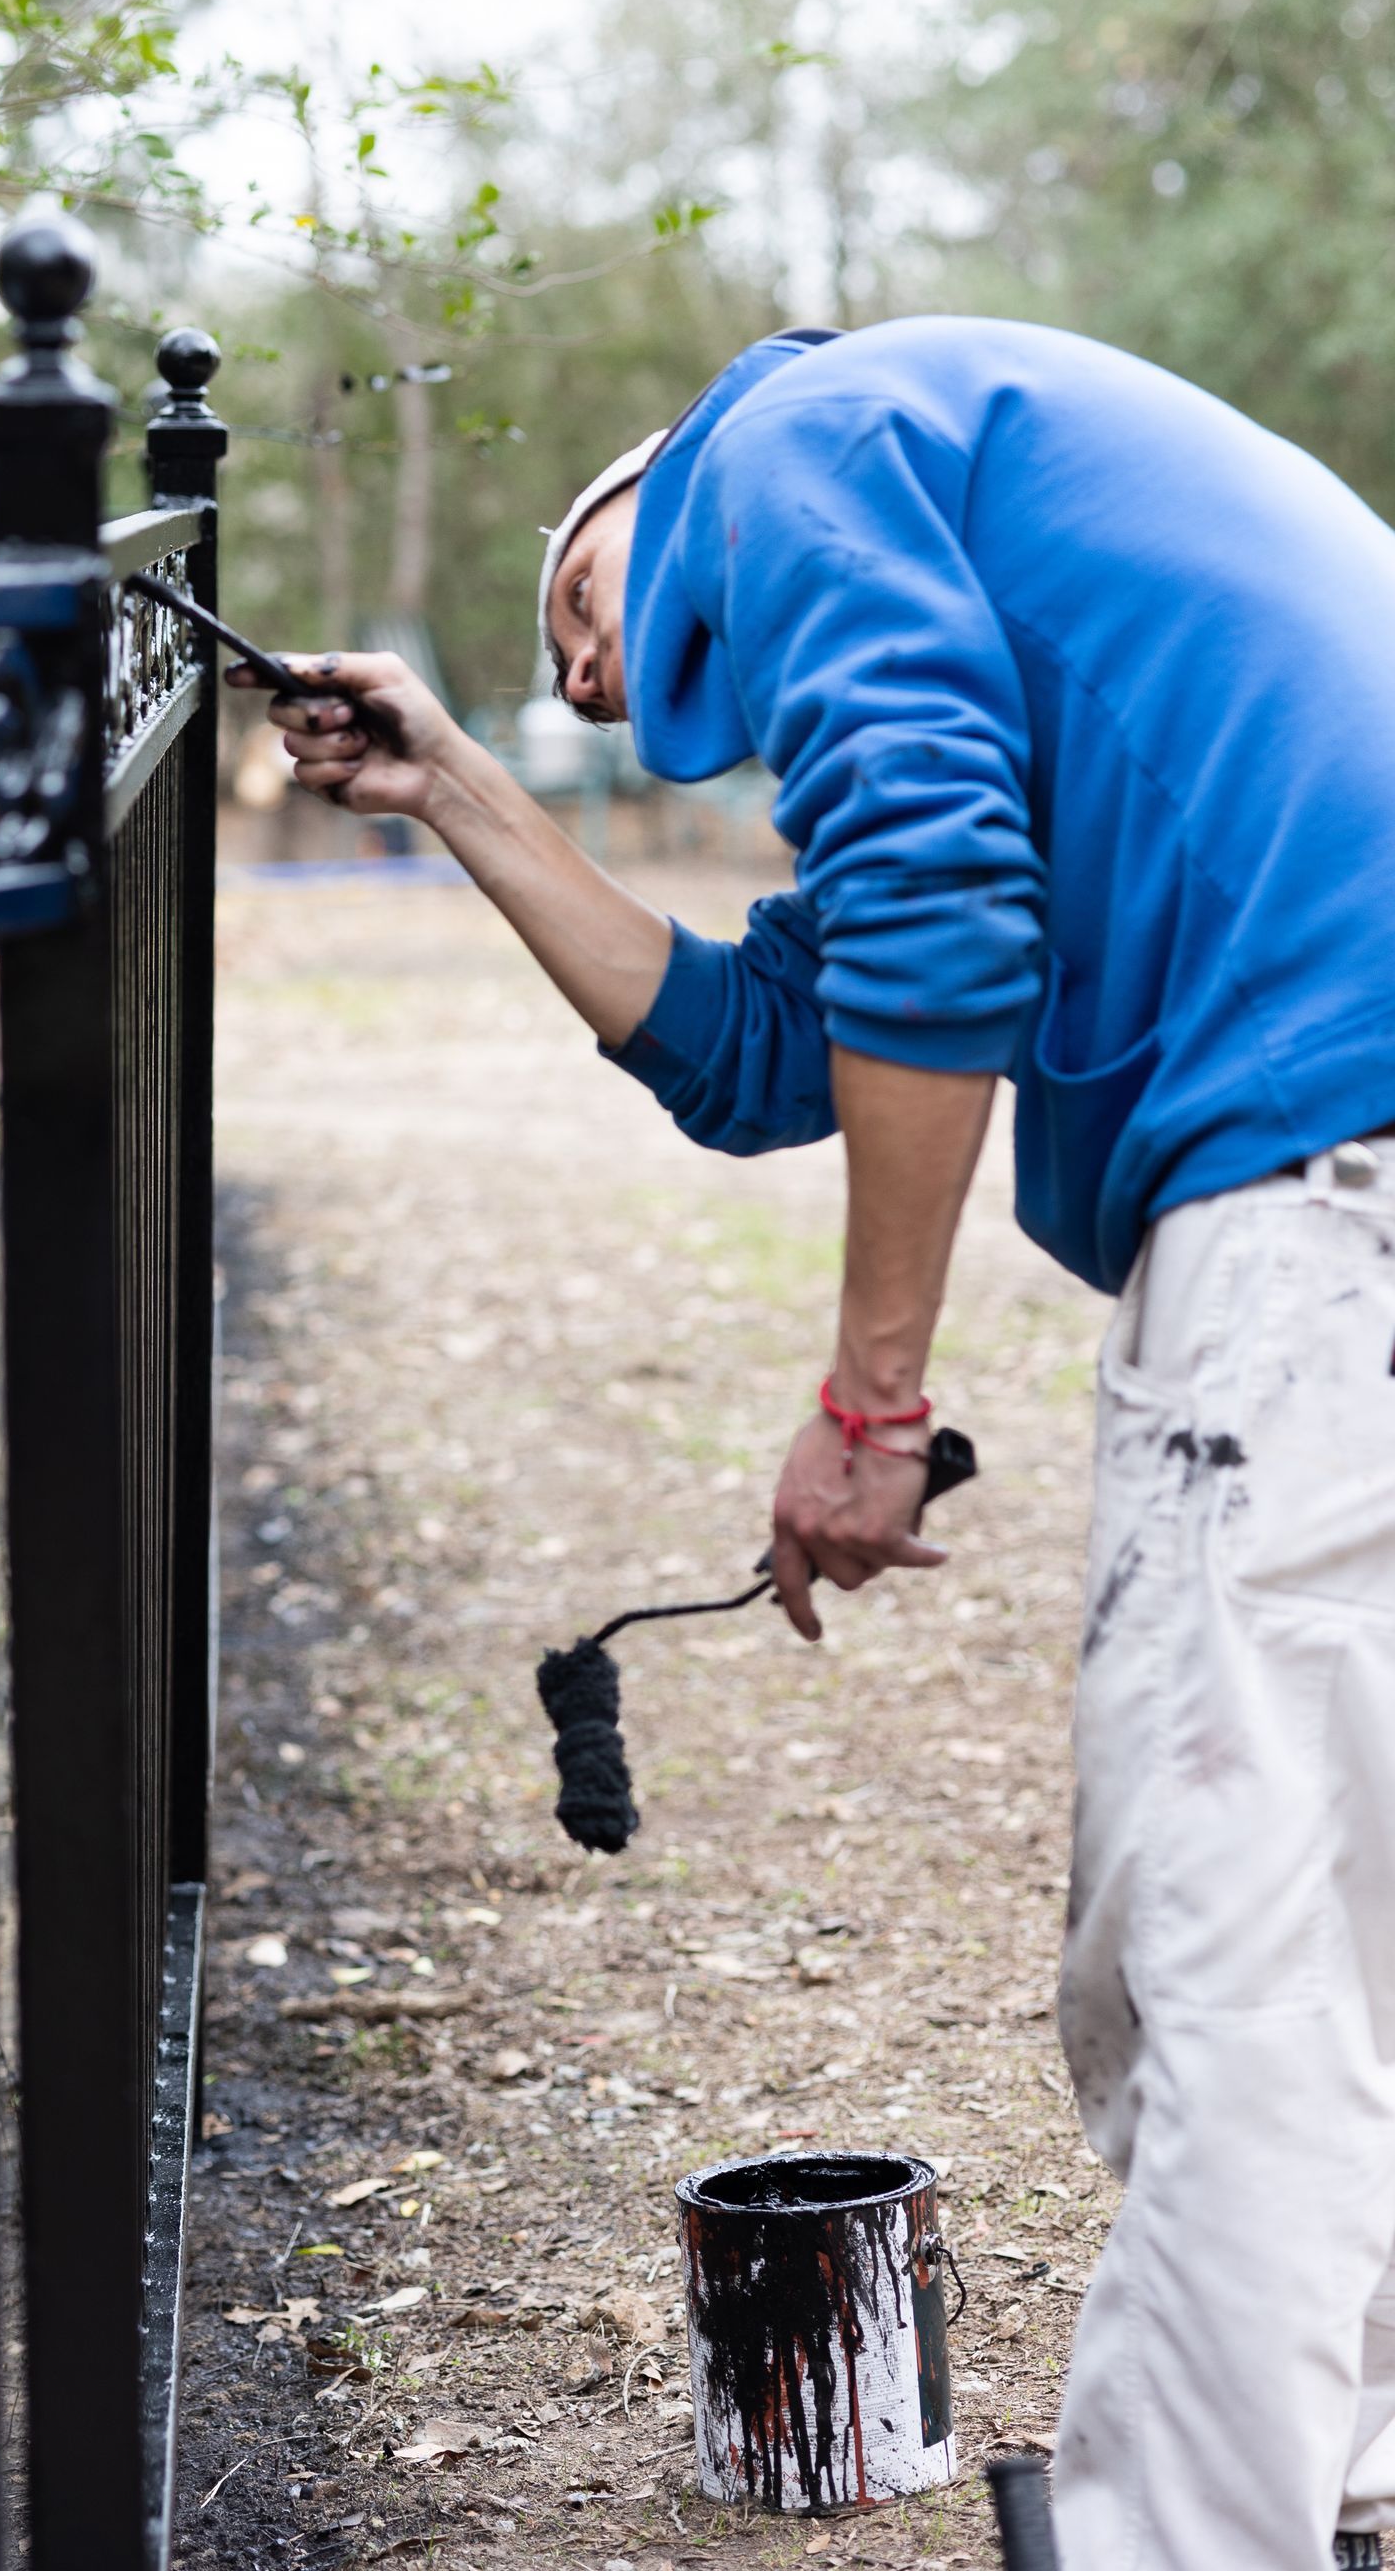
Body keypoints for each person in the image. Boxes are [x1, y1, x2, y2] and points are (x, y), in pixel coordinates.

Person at [232, 315, 1395, 2571]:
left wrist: (874, 1403)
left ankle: (1197, 2541)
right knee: (1332, 1904)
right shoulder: (972, 491)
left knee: (1216, 1939)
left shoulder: (793, 438)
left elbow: (943, 915)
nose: (593, 680)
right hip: (1357, 1158)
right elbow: (780, 1041)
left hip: (1318, 1183)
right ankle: (1347, 2460)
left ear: (633, 499)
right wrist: (462, 783)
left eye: (581, 616)